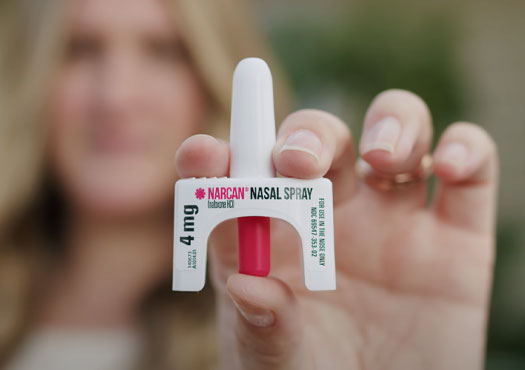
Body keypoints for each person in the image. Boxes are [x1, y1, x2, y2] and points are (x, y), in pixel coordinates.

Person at [0, 0, 498, 369]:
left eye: (164, 51)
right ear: (32, 76)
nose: (116, 96)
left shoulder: (270, 327)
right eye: (80, 50)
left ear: (213, 74)